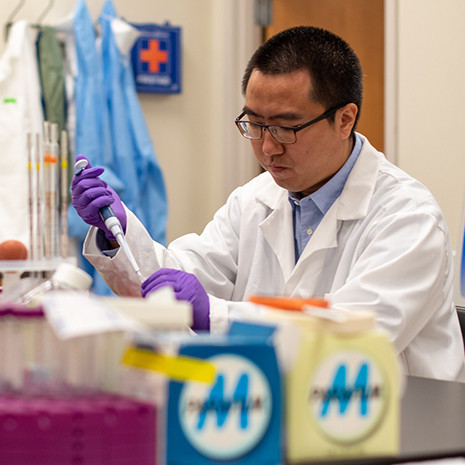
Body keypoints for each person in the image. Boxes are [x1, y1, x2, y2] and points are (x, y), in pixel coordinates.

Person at [71, 26, 465, 382]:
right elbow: (176, 282)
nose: (267, 147)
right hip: (284, 418)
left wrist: (216, 316)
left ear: (345, 120)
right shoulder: (254, 199)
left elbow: (352, 340)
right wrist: (118, 233)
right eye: (255, 124)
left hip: (403, 435)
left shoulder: (408, 217)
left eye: (286, 127)